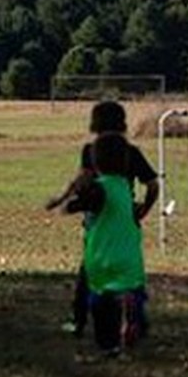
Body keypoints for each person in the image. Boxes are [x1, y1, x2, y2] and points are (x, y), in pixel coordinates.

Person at [46, 100, 159, 336]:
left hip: (97, 221)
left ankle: (79, 320)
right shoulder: (132, 152)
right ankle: (137, 318)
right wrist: (144, 209)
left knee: (88, 272)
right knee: (128, 272)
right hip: (126, 220)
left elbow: (81, 181)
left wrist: (62, 200)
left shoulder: (91, 150)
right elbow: (152, 184)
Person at [63, 131, 148, 356]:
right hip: (129, 254)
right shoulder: (124, 188)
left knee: (101, 300)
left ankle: (109, 344)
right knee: (129, 288)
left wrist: (72, 203)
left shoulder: (99, 187)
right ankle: (133, 316)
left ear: (96, 162)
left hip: (101, 255)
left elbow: (82, 204)